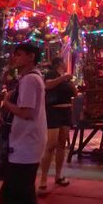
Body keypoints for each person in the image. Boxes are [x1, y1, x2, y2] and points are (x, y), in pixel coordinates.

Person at [0, 42, 47, 204]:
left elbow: (26, 113)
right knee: (26, 194)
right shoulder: (33, 78)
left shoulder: (29, 80)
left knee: (10, 199)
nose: (15, 58)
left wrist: (5, 103)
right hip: (29, 144)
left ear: (30, 57)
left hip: (24, 146)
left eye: (19, 55)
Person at [37, 57, 76, 196]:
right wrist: (64, 78)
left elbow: (74, 93)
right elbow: (48, 85)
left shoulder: (65, 78)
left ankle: (58, 175)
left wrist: (70, 83)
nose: (66, 64)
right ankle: (43, 179)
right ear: (59, 64)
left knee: (61, 144)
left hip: (66, 111)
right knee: (50, 145)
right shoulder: (51, 74)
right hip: (54, 111)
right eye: (64, 63)